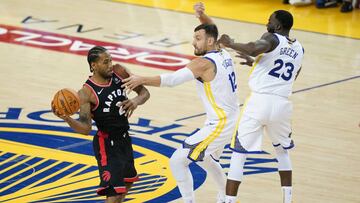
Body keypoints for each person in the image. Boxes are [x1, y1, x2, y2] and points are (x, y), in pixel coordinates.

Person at [121, 4, 240, 203]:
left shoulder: (203, 64)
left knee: (177, 161)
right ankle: (227, 197)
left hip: (220, 122)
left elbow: (172, 80)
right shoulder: (221, 50)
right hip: (229, 117)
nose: (194, 43)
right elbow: (212, 28)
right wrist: (202, 16)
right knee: (207, 159)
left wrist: (141, 79)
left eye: (198, 39)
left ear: (210, 41)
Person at [216, 10, 304, 203]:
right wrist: (256, 64)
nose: (267, 23)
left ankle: (229, 201)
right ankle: (287, 200)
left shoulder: (271, 38)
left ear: (278, 26)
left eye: (270, 20)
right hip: (282, 104)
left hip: (259, 102)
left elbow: (253, 47)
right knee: (282, 150)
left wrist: (229, 43)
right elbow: (290, 76)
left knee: (239, 152)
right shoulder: (299, 48)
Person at [52, 46, 150, 203]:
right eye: (106, 62)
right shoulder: (86, 93)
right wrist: (67, 118)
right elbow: (85, 129)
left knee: (128, 182)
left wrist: (134, 101)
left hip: (124, 140)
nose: (110, 64)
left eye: (111, 60)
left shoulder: (120, 72)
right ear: (94, 66)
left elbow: (145, 93)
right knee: (114, 194)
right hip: (106, 145)